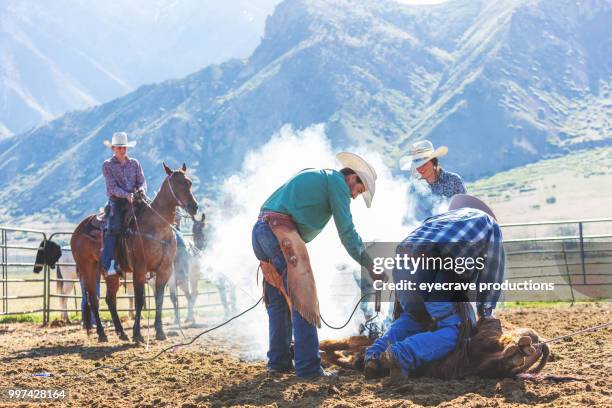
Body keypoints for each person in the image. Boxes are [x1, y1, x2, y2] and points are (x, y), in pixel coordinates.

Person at [252, 152, 379, 379]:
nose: (354, 196)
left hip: (262, 231)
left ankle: (279, 363)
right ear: (353, 178)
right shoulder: (338, 184)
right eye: (358, 191)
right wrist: (370, 264)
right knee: (303, 298)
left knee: (279, 302)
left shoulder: (320, 177)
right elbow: (348, 233)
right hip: (280, 233)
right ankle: (309, 368)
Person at [364, 194, 505, 379]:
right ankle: (401, 355)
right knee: (456, 331)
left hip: (403, 260)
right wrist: (485, 312)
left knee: (414, 317)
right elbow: (491, 274)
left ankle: (373, 357)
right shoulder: (489, 224)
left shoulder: (440, 219)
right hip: (436, 267)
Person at [100, 132, 146, 276]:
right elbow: (112, 188)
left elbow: (142, 181)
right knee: (114, 227)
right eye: (119, 147)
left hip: (136, 199)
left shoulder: (135, 163)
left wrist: (141, 191)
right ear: (113, 148)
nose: (122, 150)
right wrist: (127, 195)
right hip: (117, 201)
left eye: (124, 147)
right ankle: (109, 263)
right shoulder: (107, 165)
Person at [399, 140, 466, 221]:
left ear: (433, 161)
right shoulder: (413, 188)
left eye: (424, 163)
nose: (420, 168)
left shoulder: (453, 180)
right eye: (417, 165)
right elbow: (408, 217)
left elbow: (465, 211)